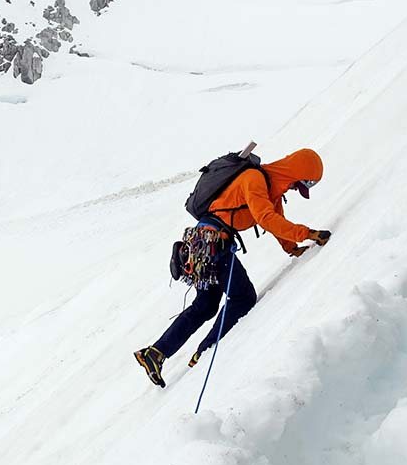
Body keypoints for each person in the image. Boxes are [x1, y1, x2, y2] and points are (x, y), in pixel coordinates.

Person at [133, 148, 331, 388]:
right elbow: (266, 218)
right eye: (296, 185)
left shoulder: (270, 189)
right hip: (214, 244)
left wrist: (293, 248)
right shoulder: (254, 180)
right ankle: (204, 352)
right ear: (293, 173)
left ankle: (155, 353)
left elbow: (275, 217)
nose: (293, 190)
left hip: (201, 245)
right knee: (243, 297)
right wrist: (307, 233)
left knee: (205, 306)